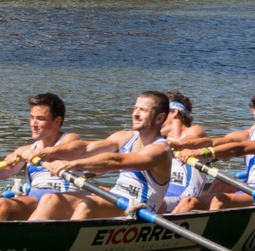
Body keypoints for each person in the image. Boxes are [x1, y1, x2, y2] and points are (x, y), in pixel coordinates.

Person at [49, 90, 178, 220]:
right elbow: (86, 148)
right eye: (135, 108)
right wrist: (46, 152)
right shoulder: (124, 137)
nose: (135, 114)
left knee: (90, 204)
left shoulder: (160, 150)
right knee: (54, 199)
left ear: (160, 118)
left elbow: (116, 161)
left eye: (143, 110)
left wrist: (71, 164)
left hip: (140, 211)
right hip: (118, 199)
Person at [0, 93, 88, 223]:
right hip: (34, 197)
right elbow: (6, 173)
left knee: (4, 205)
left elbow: (68, 151)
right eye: (32, 117)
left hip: (61, 199)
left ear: (57, 121)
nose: (33, 124)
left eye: (40, 119)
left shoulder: (70, 139)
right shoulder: (24, 150)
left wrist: (36, 154)